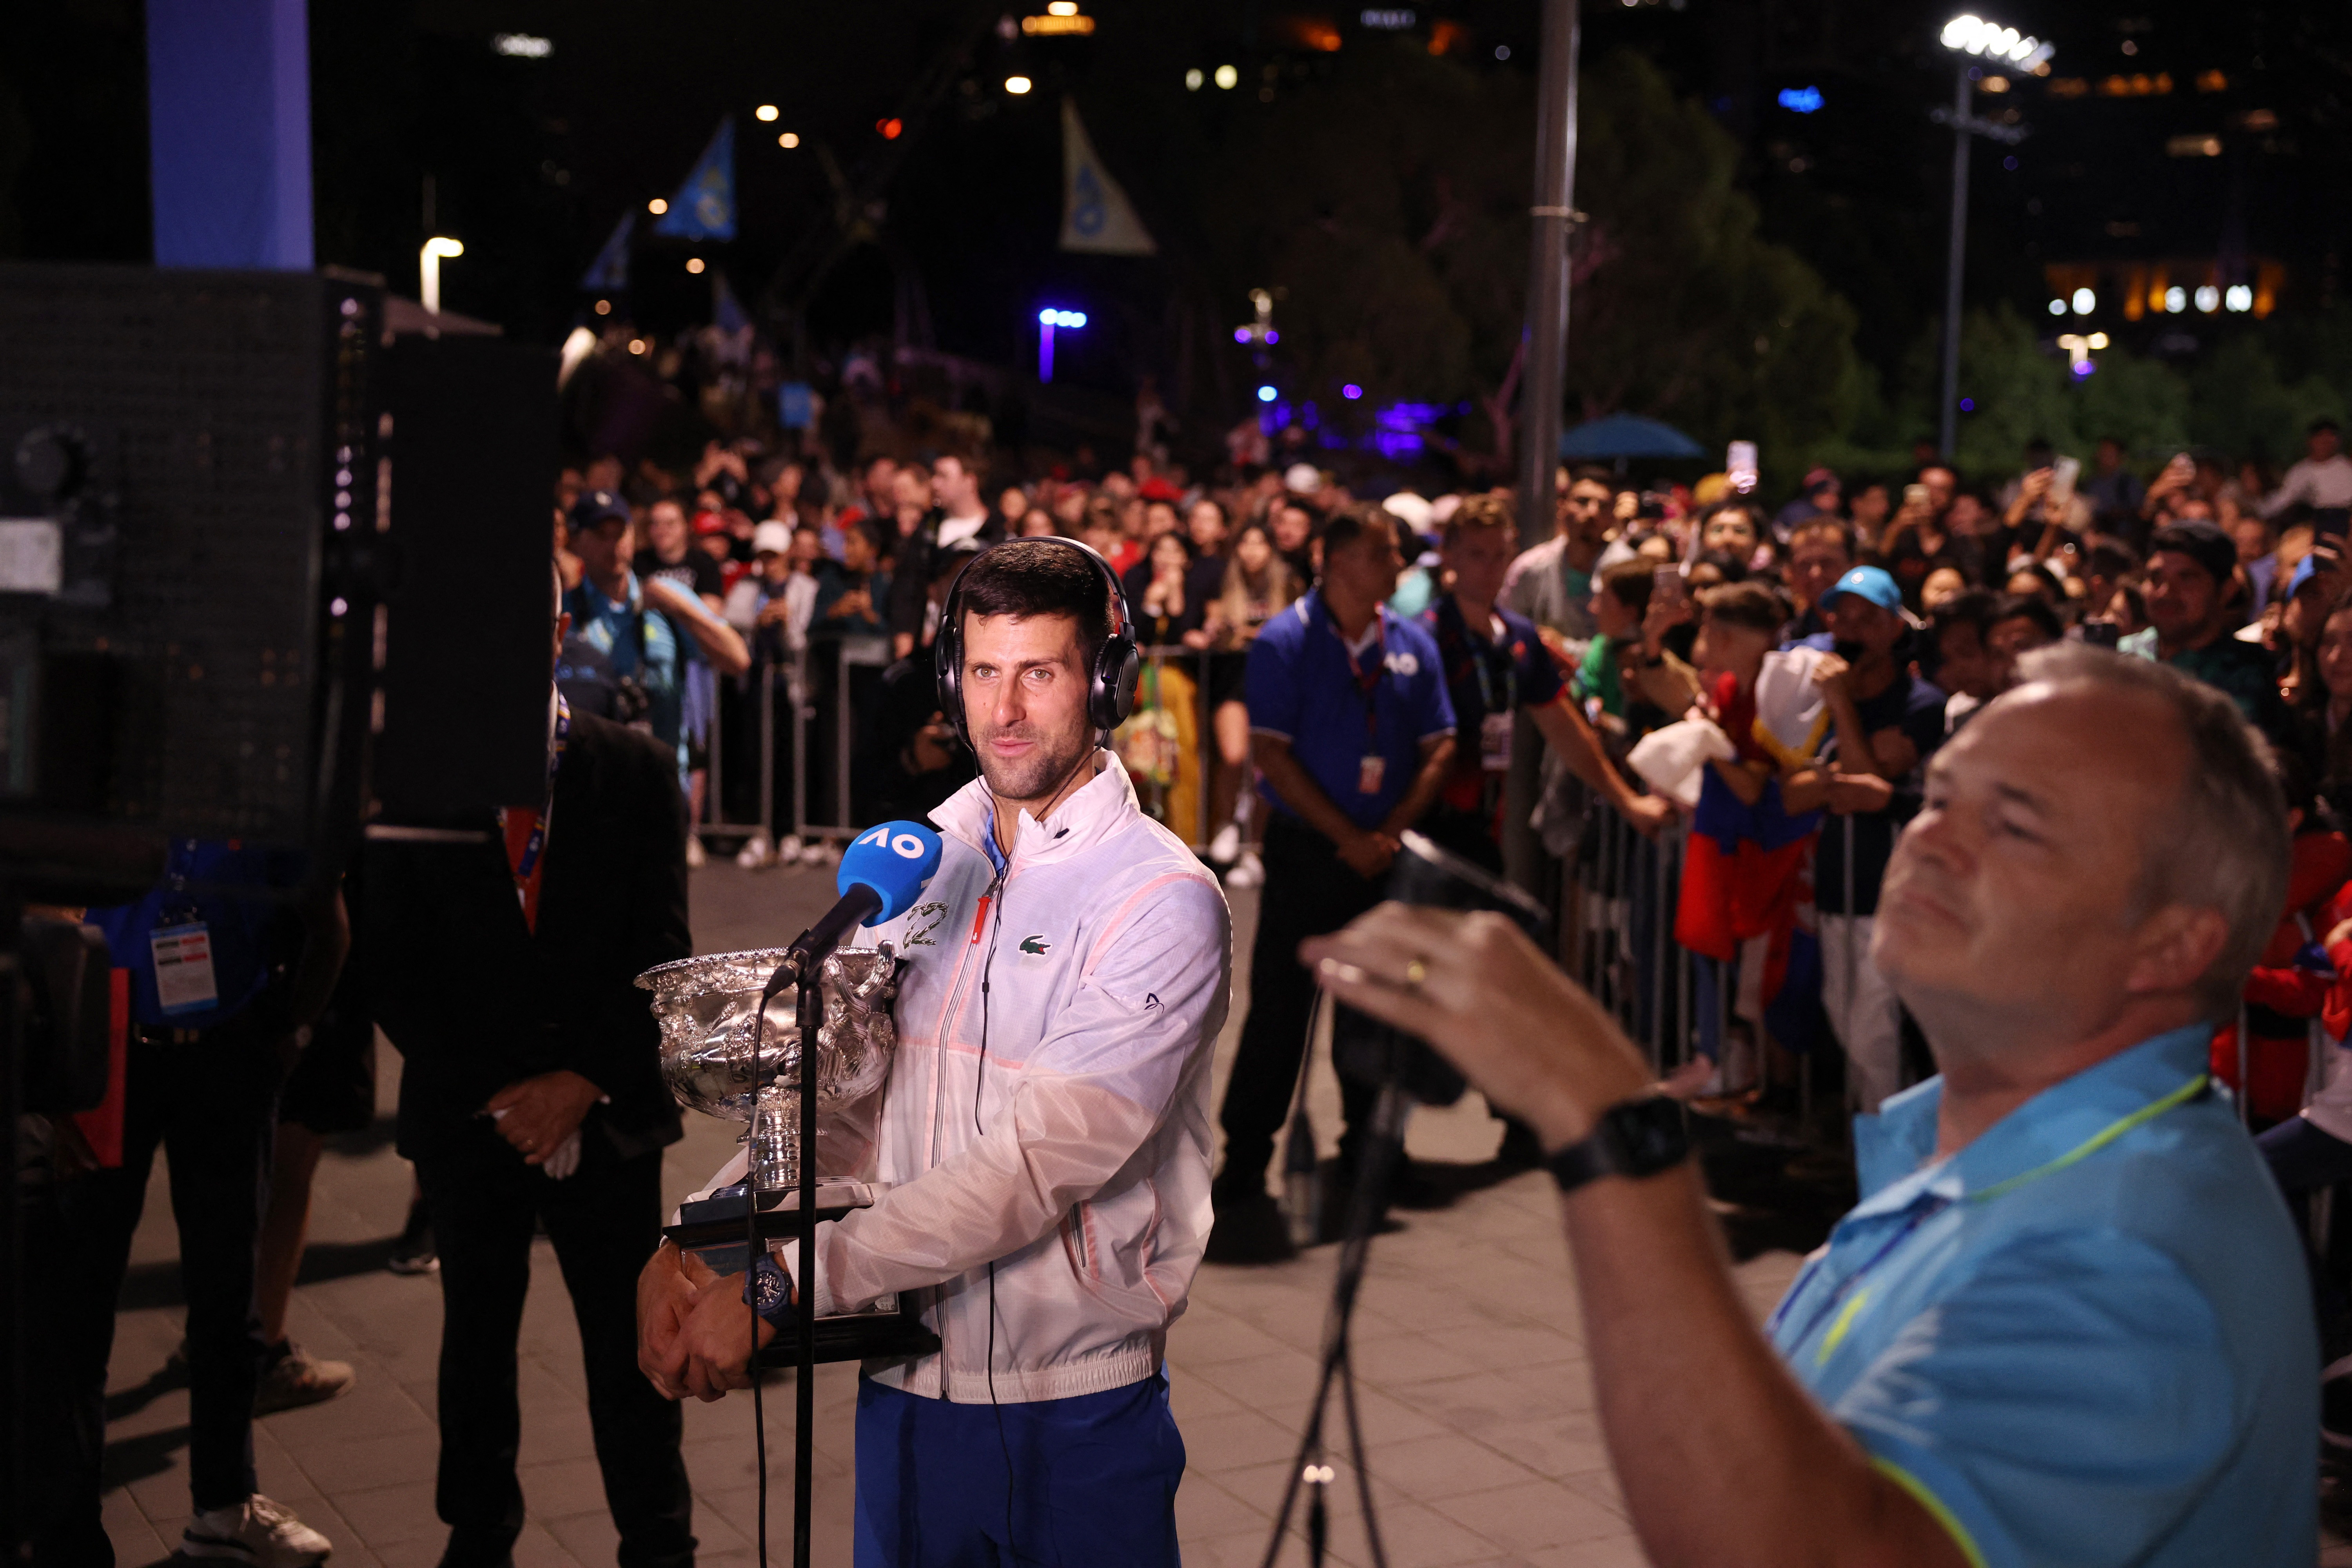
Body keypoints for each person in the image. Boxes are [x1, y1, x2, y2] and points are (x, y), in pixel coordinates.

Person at [1306, 642, 2316, 1568]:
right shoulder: (1984, 1147)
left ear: (2173, 943)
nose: (1934, 840)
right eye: (1940, 797)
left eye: (2015, 823)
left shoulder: (2134, 1248)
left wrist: (1604, 1105)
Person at [639, 537, 1229, 1568]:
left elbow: (1034, 1165)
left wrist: (781, 1288)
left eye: (1039, 674)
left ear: (1107, 681)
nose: (1002, 714)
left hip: (1077, 1414)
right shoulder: (920, 866)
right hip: (908, 1396)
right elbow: (840, 1105)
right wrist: (703, 1240)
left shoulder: (1161, 901)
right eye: (984, 674)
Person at [363, 567, 696, 1568]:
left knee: (629, 1340)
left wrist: (581, 1082)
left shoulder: (634, 768)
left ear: (558, 629)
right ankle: (477, 1532)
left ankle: (658, 1534)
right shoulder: (415, 778)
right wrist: (506, 1097)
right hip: (475, 1116)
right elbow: (392, 964)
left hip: (611, 1110)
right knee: (475, 1337)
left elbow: (662, 948)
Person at [35, 853, 347, 1567]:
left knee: (227, 1297)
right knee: (79, 1304)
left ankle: (224, 1508)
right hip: (111, 1054)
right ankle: (69, 1535)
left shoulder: (254, 788)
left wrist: (285, 1036)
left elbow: (329, 927)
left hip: (227, 1056)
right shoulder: (112, 788)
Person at [1209, 506, 1457, 1263]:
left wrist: (1389, 833)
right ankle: (1245, 1159)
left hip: (1382, 858)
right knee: (1281, 1010)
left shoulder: (1410, 643)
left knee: (1375, 1009)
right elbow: (1271, 754)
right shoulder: (1286, 640)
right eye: (1384, 554)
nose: (1398, 566)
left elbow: (1440, 742)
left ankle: (1372, 1149)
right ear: (1338, 562)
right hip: (1309, 853)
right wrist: (1347, 836)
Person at [1786, 567, 1948, 1113]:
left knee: (1874, 1026)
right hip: (1835, 885)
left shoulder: (1919, 702)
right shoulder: (1817, 704)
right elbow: (1791, 792)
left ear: (1892, 629)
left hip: (1890, 888)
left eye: (1867, 620)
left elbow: (1862, 779)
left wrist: (1841, 708)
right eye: (1841, 619)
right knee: (1843, 1015)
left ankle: (1894, 1160)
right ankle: (1869, 1147)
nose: (1850, 633)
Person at [2121, 517, 2288, 739]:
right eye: (2155, 577)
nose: (2165, 593)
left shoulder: (2253, 674)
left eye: (2187, 579)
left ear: (2227, 591)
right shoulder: (2122, 658)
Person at [890, 452, 1004, 657]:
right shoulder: (927, 529)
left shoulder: (996, 532)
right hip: (925, 649)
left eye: (944, 476)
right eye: (934, 475)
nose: (934, 483)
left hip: (978, 648)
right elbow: (906, 584)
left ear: (969, 481)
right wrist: (903, 633)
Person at [1502, 466, 1615, 648]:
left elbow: (1627, 649)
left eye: (1603, 506)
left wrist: (1563, 646)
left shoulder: (1625, 569)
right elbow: (1507, 629)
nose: (1593, 512)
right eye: (1582, 501)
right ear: (1561, 507)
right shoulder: (1530, 568)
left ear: (1612, 517)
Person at [2263, 417, 2352, 526]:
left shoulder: (2346, 468)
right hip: (2305, 522)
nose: (2325, 443)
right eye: (2321, 438)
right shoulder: (2300, 470)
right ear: (2311, 441)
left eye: (2330, 438)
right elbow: (2285, 499)